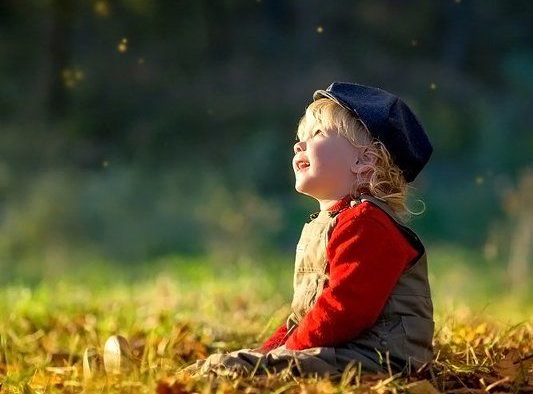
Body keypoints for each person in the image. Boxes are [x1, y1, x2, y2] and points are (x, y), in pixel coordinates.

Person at [83, 81, 434, 383]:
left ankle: (158, 383)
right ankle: (163, 379)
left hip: (381, 362)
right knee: (246, 361)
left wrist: (282, 355)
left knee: (241, 370)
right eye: (299, 138)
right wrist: (267, 351)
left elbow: (346, 311)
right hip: (347, 352)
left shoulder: (368, 225)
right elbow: (304, 319)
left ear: (364, 161)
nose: (299, 145)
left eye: (316, 135)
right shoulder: (334, 223)